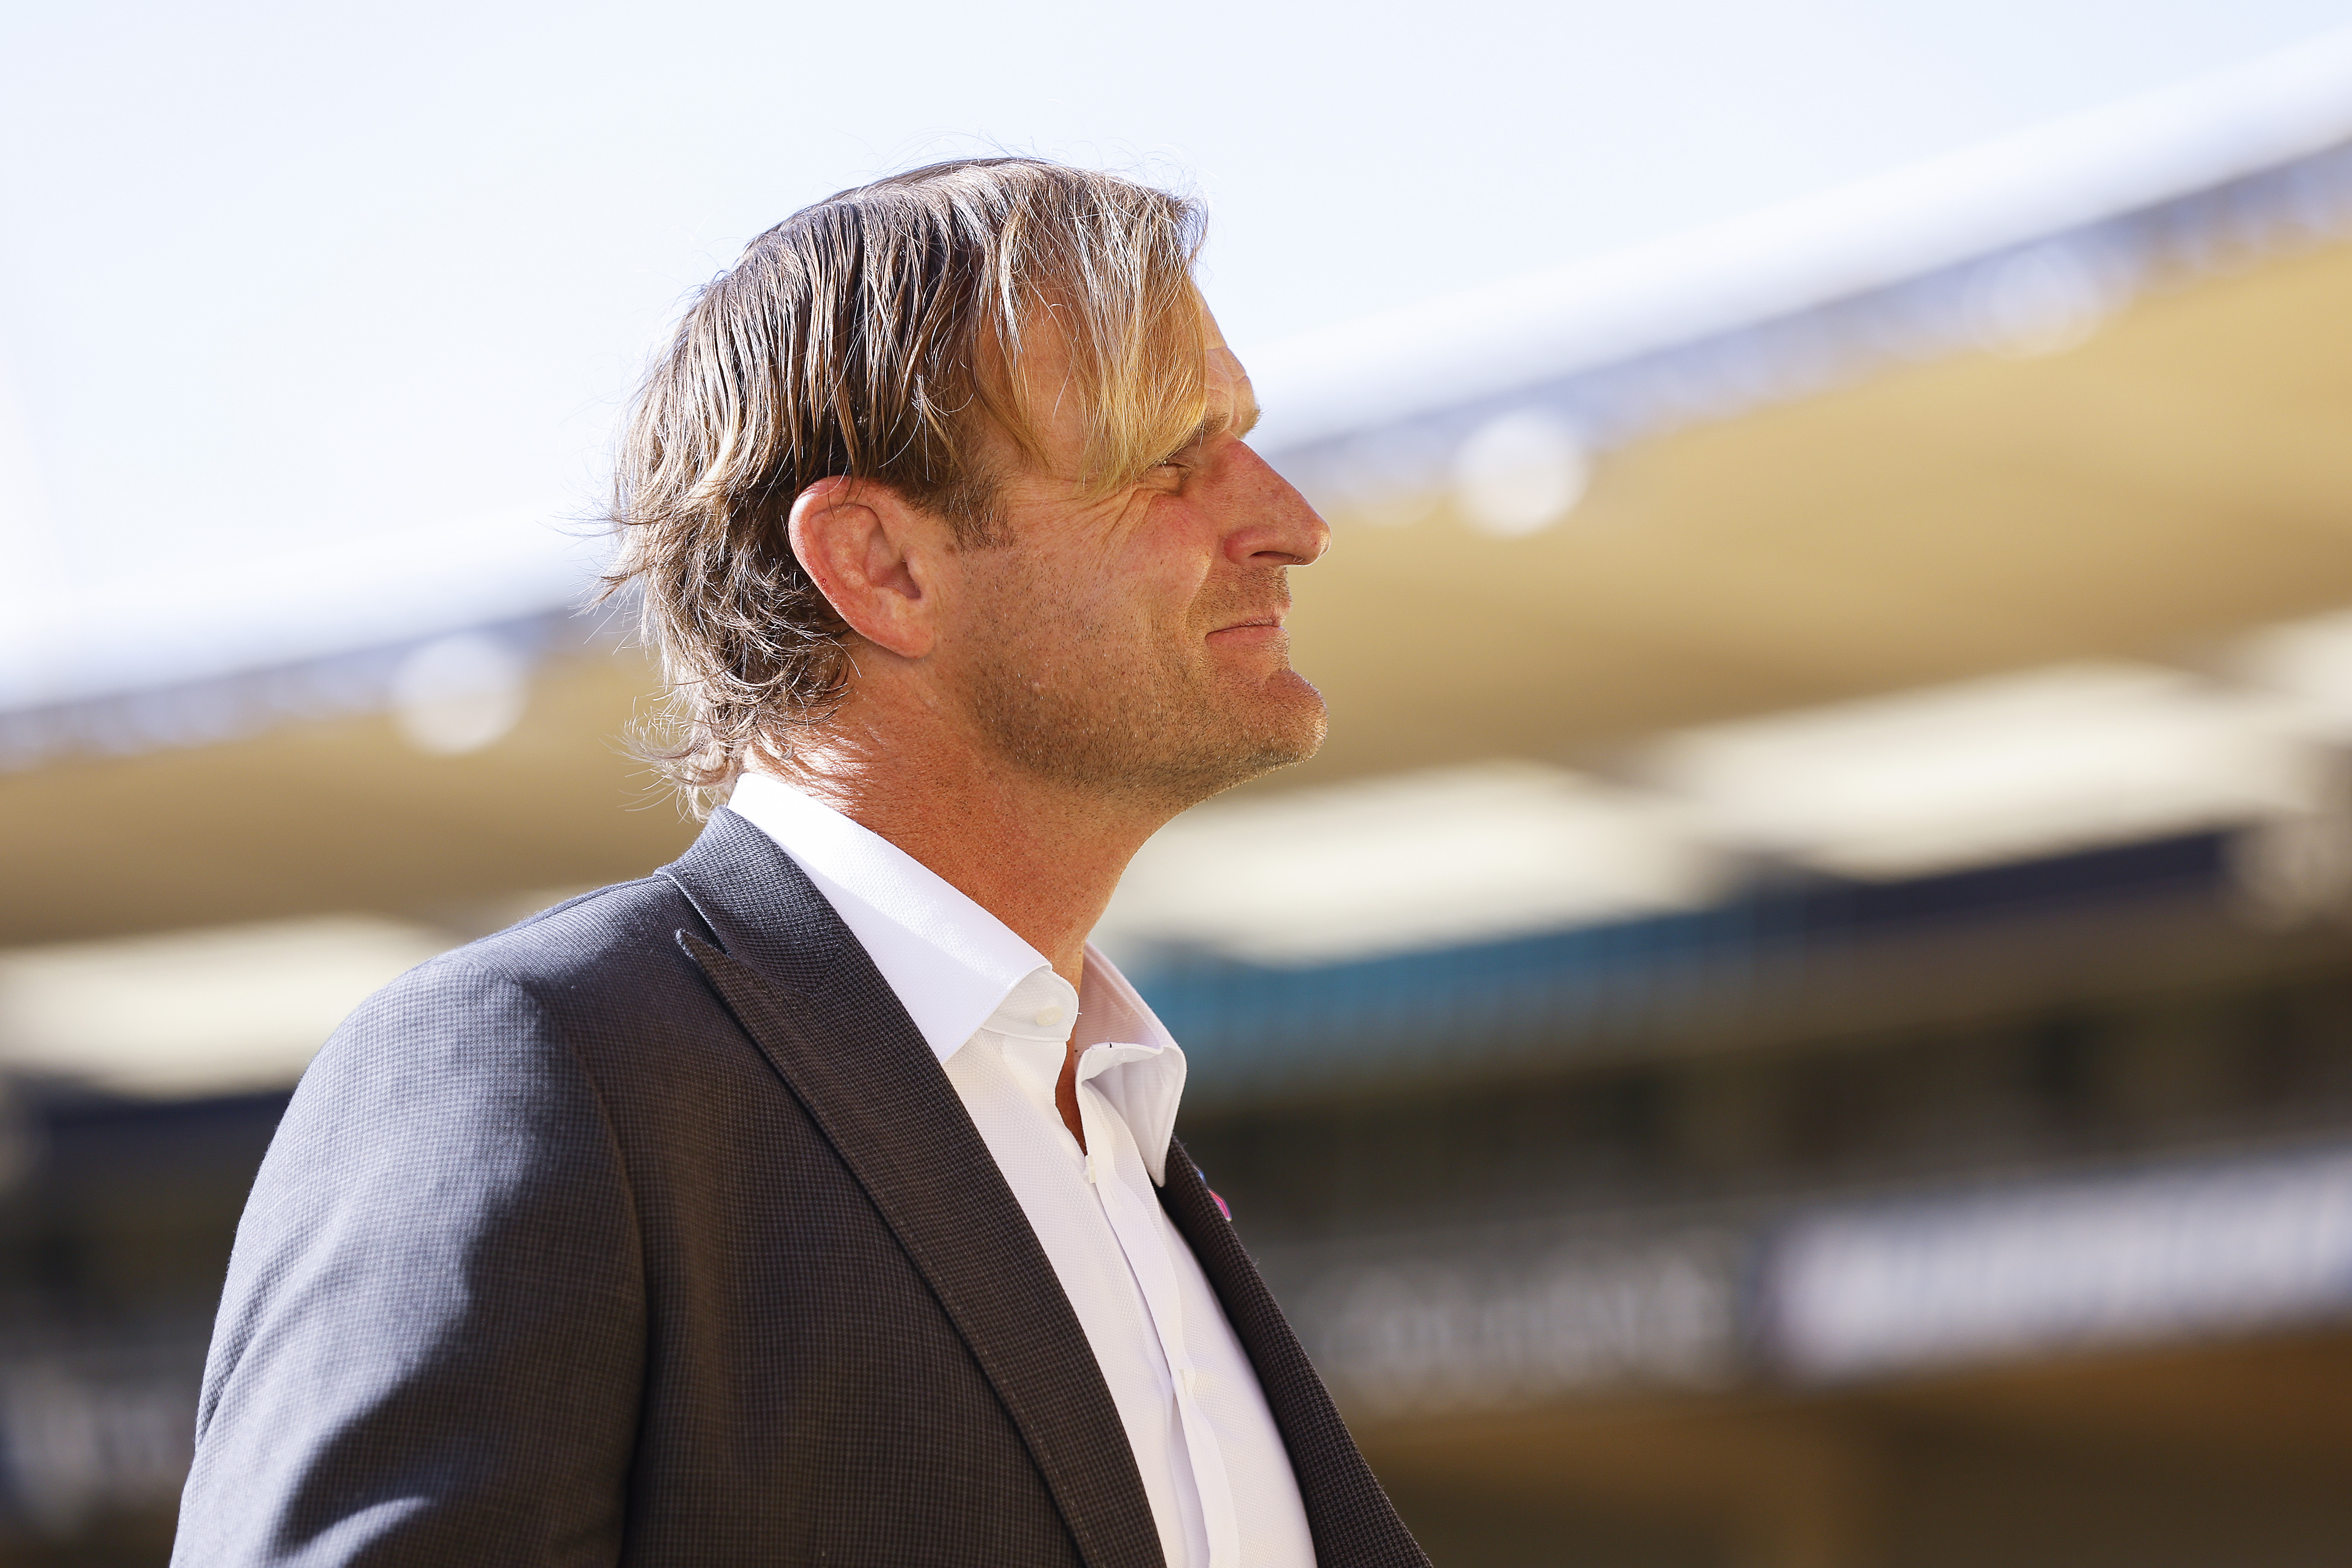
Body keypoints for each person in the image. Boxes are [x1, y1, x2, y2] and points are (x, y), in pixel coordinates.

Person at [169, 159, 1430, 1567]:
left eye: (1244, 441)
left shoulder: (1124, 1132)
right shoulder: (537, 1065)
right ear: (879, 564)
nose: (1293, 523)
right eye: (1170, 459)